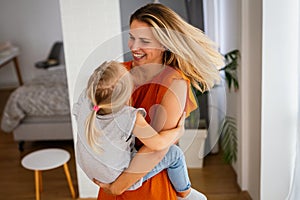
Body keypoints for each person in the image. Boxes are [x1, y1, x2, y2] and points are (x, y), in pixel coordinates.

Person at [94, 3, 224, 200]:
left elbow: (156, 151)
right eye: (132, 37)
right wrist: (176, 133)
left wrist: (118, 187)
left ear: (164, 44)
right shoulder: (119, 72)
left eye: (144, 41)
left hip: (145, 182)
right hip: (115, 178)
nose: (134, 47)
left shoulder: (174, 85)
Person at [73, 60, 206, 199]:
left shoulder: (85, 102)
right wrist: (179, 131)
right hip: (116, 176)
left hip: (92, 170)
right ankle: (185, 193)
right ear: (127, 95)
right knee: (174, 153)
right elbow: (158, 145)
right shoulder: (128, 116)